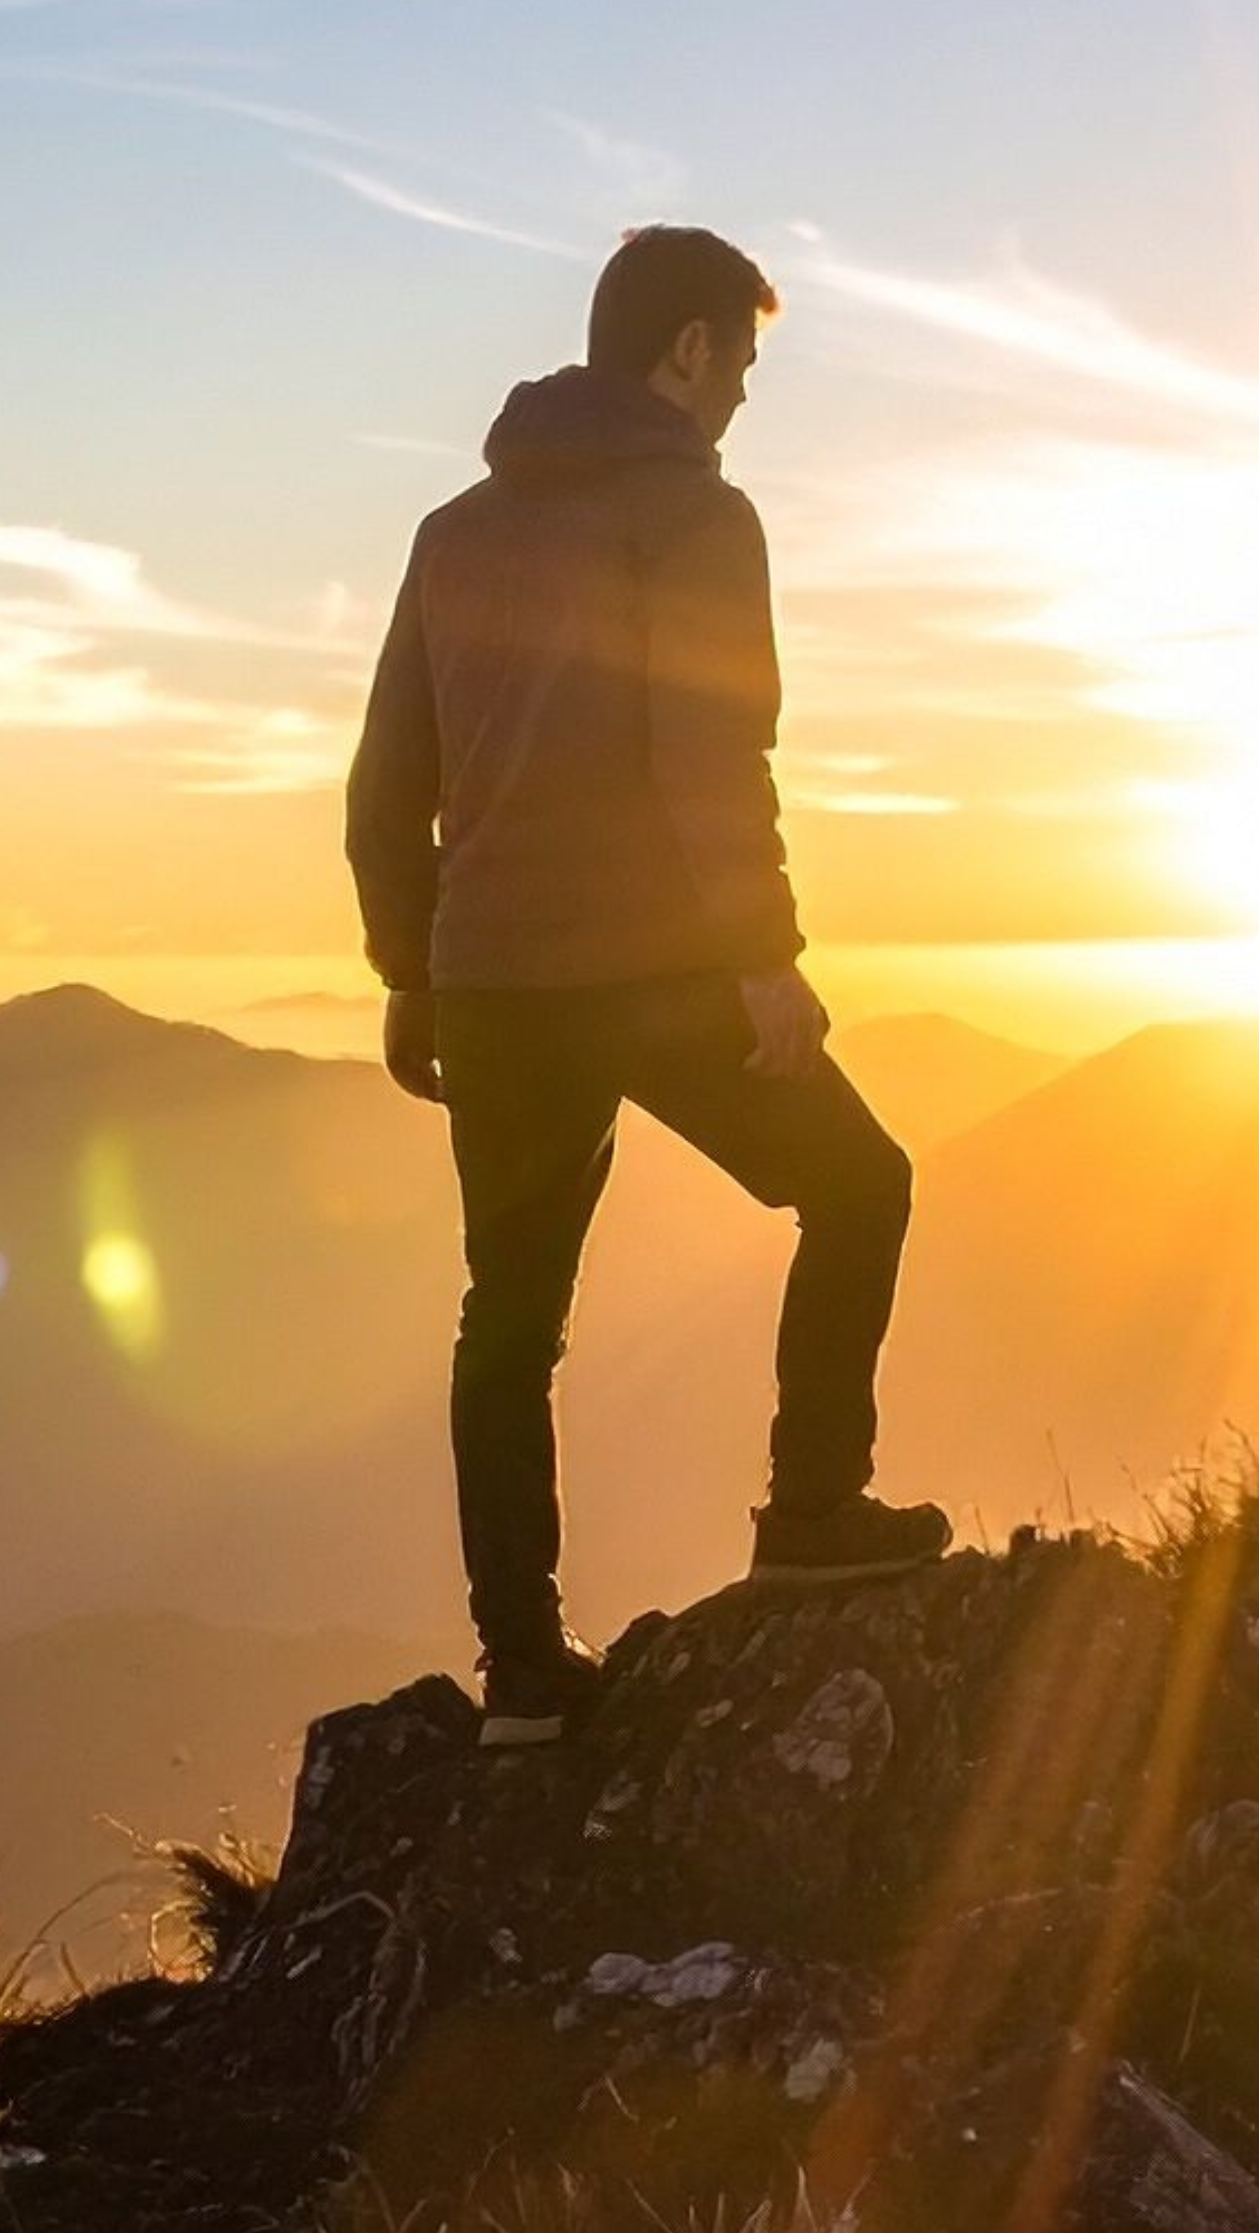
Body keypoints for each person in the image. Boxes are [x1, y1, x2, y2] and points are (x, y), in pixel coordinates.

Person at [344, 225, 956, 1748]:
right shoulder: (699, 517)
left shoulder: (453, 531)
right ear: (685, 350)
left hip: (492, 985)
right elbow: (711, 754)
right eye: (739, 362)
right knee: (863, 1185)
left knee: (510, 1318)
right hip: (664, 969)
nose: (744, 396)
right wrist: (767, 958)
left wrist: (411, 975)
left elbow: (384, 787)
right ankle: (812, 1507)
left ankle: (522, 1677)